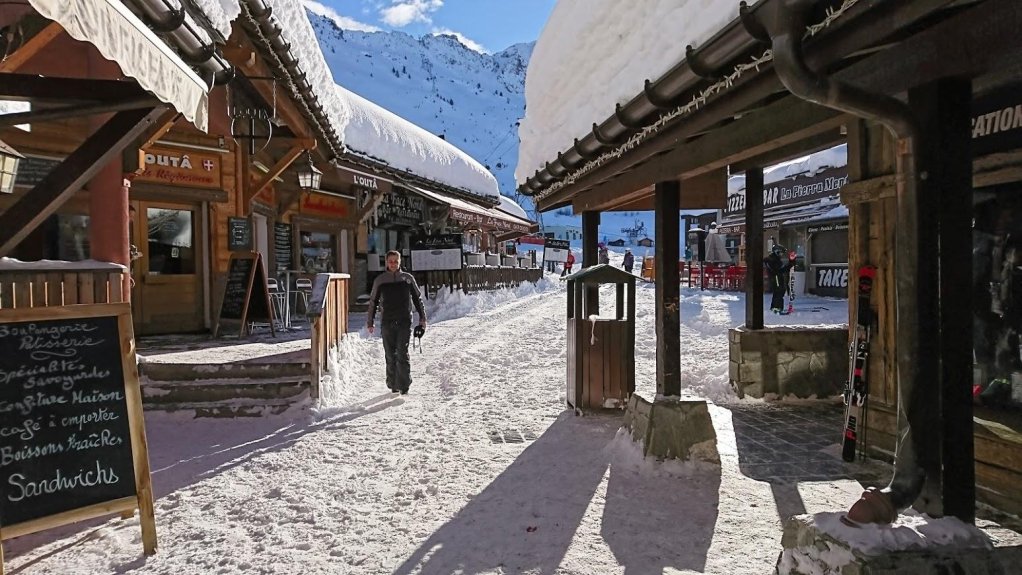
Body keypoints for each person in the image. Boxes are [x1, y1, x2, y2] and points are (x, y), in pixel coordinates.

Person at [367, 250, 427, 394]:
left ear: (400, 262)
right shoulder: (380, 280)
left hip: (404, 321)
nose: (393, 264)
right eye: (390, 261)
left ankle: (404, 385)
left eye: (396, 261)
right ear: (386, 262)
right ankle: (393, 383)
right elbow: (373, 301)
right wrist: (370, 321)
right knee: (390, 354)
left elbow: (417, 299)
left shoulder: (407, 278)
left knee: (402, 352)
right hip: (387, 321)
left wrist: (422, 318)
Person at [763, 244, 795, 313]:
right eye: (780, 253)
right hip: (776, 277)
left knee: (778, 292)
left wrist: (790, 263)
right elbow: (780, 269)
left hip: (776, 276)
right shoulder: (772, 260)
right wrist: (790, 264)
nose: (781, 254)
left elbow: (782, 269)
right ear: (776, 252)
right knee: (779, 291)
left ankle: (775, 307)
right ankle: (777, 307)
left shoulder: (774, 259)